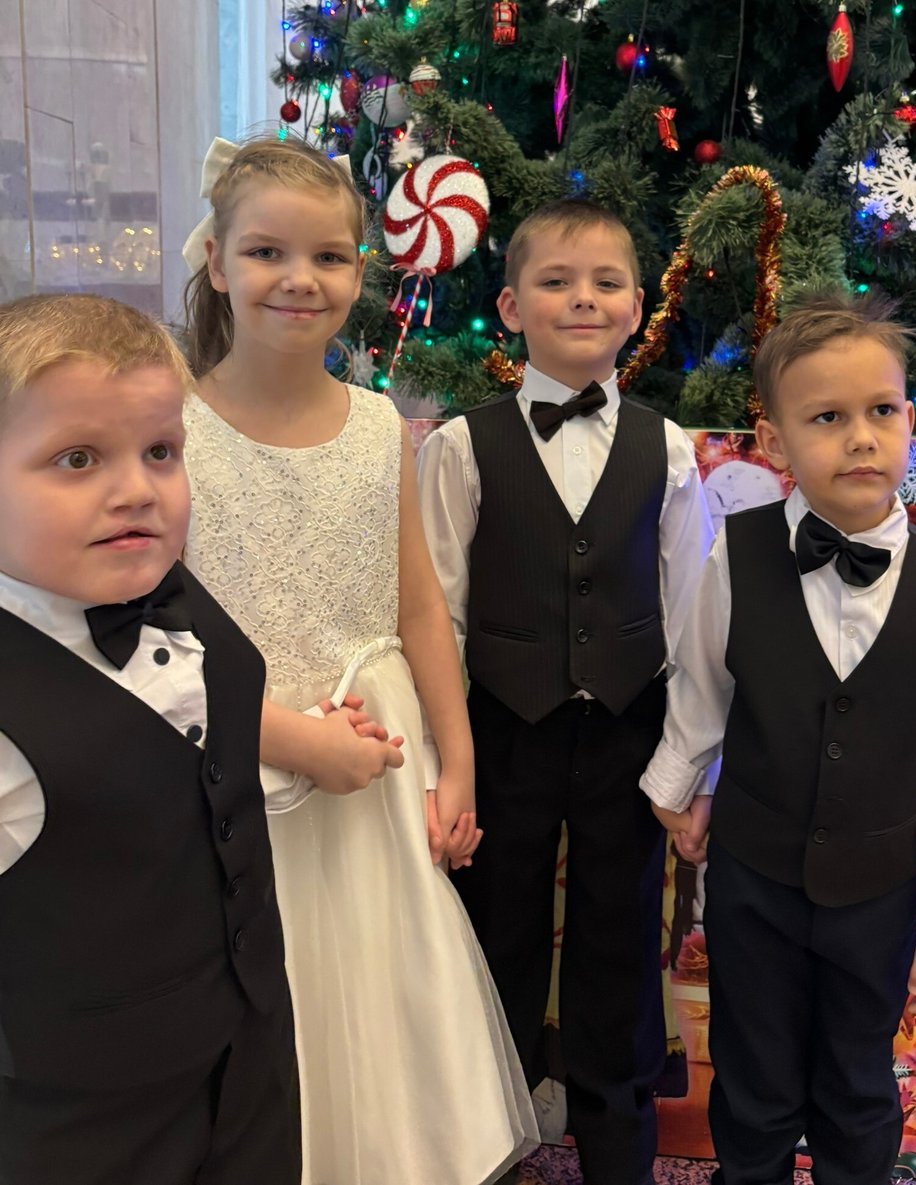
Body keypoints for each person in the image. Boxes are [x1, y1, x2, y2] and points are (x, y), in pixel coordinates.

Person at [179, 135, 537, 1185]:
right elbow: (165, 636)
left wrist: (457, 764)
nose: (300, 278)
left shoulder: (381, 425)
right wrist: (287, 739)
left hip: (379, 765)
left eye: (329, 257)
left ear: (359, 273)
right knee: (273, 996)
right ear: (217, 263)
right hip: (239, 763)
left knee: (386, 1008)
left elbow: (419, 607)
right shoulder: (175, 431)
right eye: (267, 252)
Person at [642, 293, 916, 1185]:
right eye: (828, 418)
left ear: (909, 419)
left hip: (877, 894)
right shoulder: (738, 554)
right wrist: (683, 787)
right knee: (753, 1082)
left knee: (856, 1086)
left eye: (883, 411)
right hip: (753, 882)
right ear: (774, 441)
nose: (862, 438)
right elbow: (703, 682)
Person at [417, 199, 714, 1185]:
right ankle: (485, 1144)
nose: (582, 298)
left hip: (629, 737)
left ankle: (617, 1149)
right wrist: (446, 763)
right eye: (555, 281)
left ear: (636, 307)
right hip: (503, 734)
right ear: (510, 306)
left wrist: (684, 766)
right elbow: (438, 615)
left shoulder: (668, 450)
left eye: (605, 282)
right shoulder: (461, 446)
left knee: (617, 941)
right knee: (491, 930)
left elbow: (691, 615)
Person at [0, 293, 299, 1185]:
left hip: (248, 1062)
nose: (137, 489)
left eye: (160, 451)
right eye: (77, 458)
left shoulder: (161, 582)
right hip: (80, 1122)